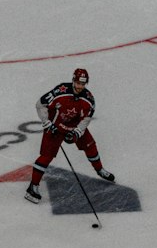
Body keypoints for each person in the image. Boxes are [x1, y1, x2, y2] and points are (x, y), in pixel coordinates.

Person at [24, 68, 115, 202]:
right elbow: (40, 104)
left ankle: (99, 169)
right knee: (46, 156)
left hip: (75, 125)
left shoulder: (89, 99)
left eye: (83, 84)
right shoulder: (60, 91)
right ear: (73, 81)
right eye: (78, 83)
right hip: (55, 126)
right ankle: (33, 186)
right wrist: (47, 123)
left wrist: (77, 132)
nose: (80, 87)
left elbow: (86, 119)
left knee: (90, 145)